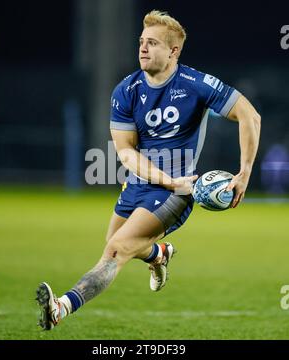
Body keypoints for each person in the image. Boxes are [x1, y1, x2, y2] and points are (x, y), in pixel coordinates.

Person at [36, 10, 261, 330]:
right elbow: (126, 151)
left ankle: (60, 308)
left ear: (173, 51)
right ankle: (158, 254)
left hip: (178, 190)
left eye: (152, 43)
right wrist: (161, 178)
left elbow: (250, 116)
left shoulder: (196, 84)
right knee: (114, 241)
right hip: (140, 183)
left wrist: (244, 174)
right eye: (141, 42)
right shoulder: (126, 91)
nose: (142, 48)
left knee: (116, 250)